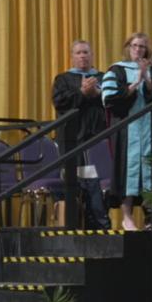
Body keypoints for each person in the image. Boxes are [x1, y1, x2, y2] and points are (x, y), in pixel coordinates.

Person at [101, 32, 152, 231]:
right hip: (127, 130)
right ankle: (127, 217)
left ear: (147, 50)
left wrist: (148, 79)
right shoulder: (116, 70)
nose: (138, 49)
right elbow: (109, 99)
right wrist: (136, 82)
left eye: (142, 46)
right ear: (127, 48)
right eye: (134, 45)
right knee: (127, 172)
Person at [50, 40, 111, 229]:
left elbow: (113, 102)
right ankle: (81, 223)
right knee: (78, 181)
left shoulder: (103, 77)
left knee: (98, 180)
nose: (83, 56)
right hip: (73, 139)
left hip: (99, 138)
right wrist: (81, 93)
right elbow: (60, 103)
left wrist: (97, 93)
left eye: (86, 52)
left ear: (92, 55)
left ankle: (99, 222)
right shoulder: (63, 79)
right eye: (78, 53)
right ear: (72, 56)